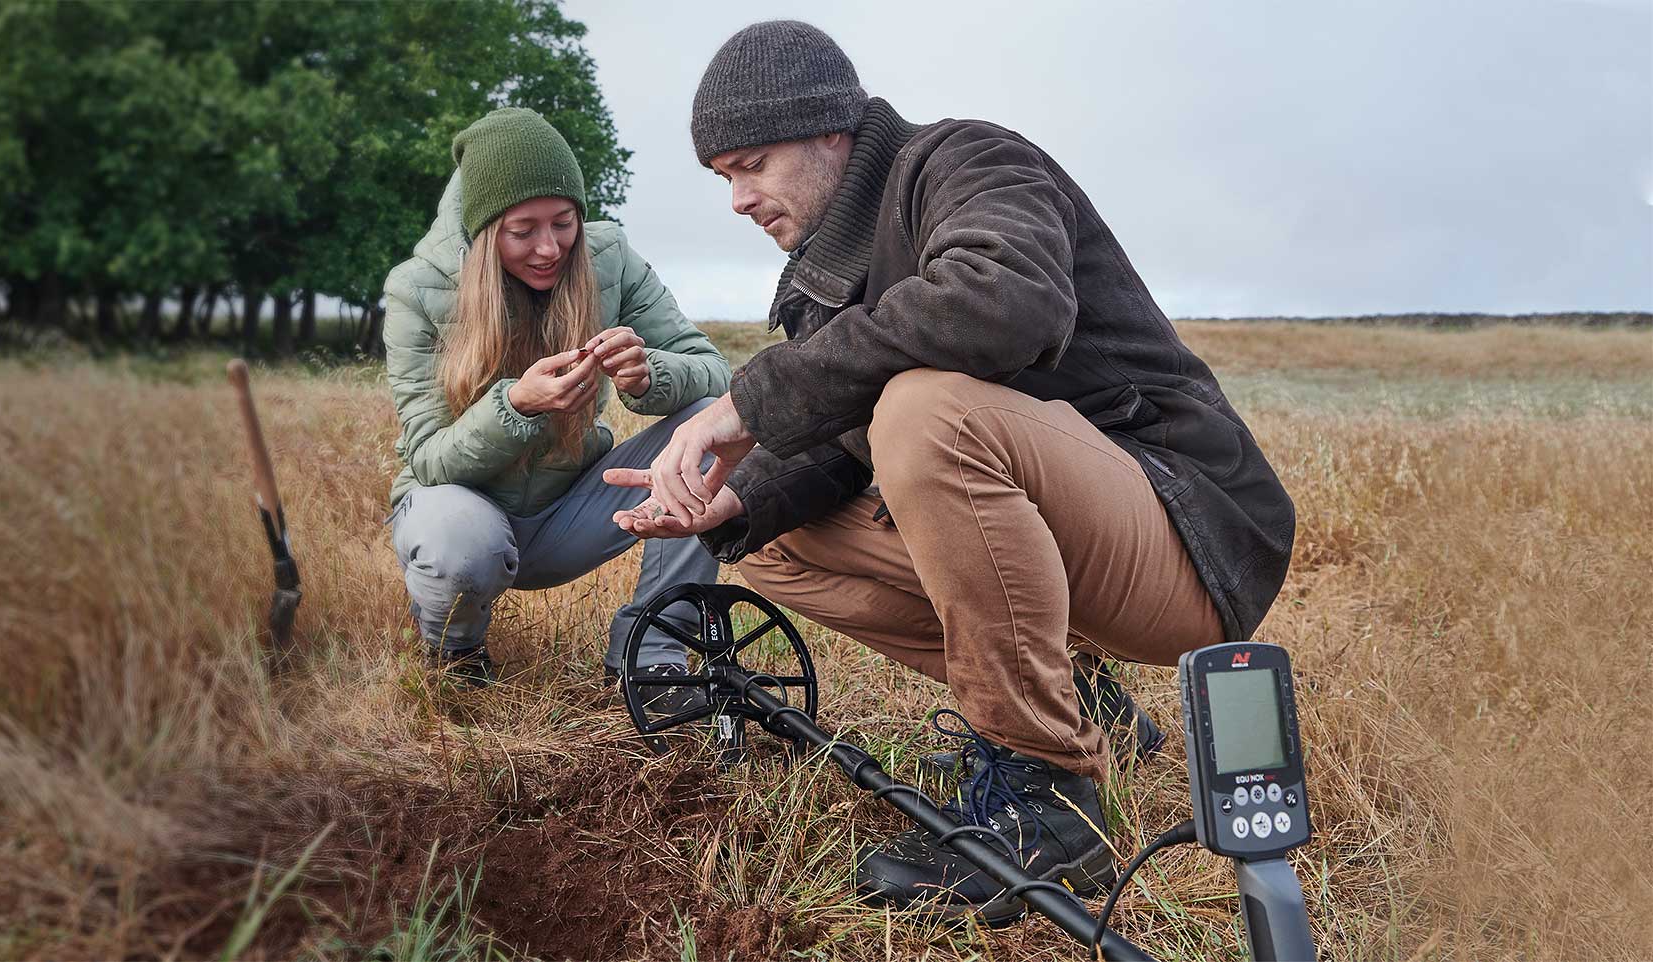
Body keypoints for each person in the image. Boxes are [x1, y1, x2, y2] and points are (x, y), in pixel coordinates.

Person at [606, 21, 1295, 923]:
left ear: (830, 130)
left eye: (753, 164)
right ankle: (1078, 706)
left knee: (925, 411)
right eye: (723, 177)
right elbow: (841, 443)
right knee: (764, 538)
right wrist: (734, 495)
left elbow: (1006, 302)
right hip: (1082, 543)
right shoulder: (826, 269)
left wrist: (743, 404)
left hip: (1190, 532)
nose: (738, 199)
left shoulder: (969, 162)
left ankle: (1048, 802)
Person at [384, 107, 731, 710]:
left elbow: (717, 374)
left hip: (571, 512)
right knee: (458, 537)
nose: (549, 248)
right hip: (461, 513)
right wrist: (515, 404)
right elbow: (430, 460)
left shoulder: (610, 258)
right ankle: (457, 655)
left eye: (563, 223)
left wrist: (653, 374)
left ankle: (653, 653)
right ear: (485, 227)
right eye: (523, 231)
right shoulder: (415, 290)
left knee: (713, 425)